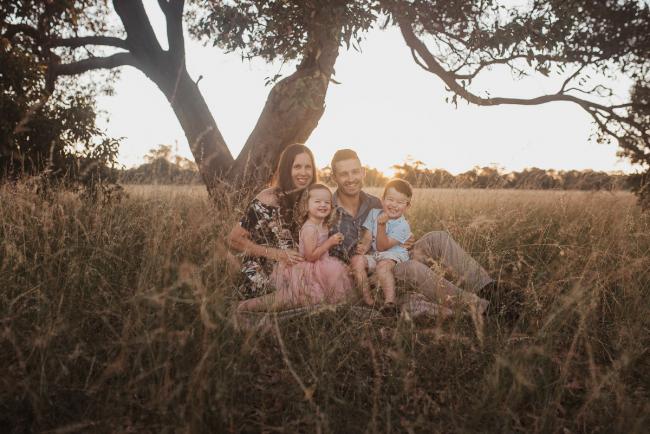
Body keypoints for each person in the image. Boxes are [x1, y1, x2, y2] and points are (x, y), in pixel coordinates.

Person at [329, 149, 491, 316]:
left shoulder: (375, 202)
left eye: (355, 171)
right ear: (334, 177)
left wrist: (405, 240)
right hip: (370, 276)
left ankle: (488, 288)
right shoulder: (327, 210)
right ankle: (479, 307)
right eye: (343, 174)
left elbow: (394, 229)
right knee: (412, 268)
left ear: (363, 172)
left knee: (437, 238)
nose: (350, 179)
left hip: (392, 257)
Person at [237, 183, 353, 311]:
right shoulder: (309, 228)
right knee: (296, 296)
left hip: (321, 265)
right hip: (309, 268)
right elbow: (310, 256)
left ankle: (326, 312)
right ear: (306, 205)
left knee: (328, 289)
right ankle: (244, 307)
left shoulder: (323, 224)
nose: (323, 205)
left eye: (327, 202)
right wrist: (330, 242)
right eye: (317, 201)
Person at [227, 144, 315, 301]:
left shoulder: (313, 199)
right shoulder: (268, 198)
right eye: (297, 167)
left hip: (297, 269)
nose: (303, 172)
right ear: (287, 169)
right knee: (296, 295)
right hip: (263, 270)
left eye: (308, 167)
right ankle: (247, 309)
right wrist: (277, 254)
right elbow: (234, 239)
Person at [352, 178, 413, 313]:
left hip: (394, 256)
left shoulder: (403, 226)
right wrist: (364, 246)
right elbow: (368, 236)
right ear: (382, 199)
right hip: (376, 255)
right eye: (390, 199)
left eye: (400, 202)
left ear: (407, 206)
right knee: (356, 260)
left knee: (383, 266)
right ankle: (367, 300)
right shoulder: (374, 213)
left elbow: (383, 246)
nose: (394, 205)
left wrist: (381, 225)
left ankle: (389, 303)